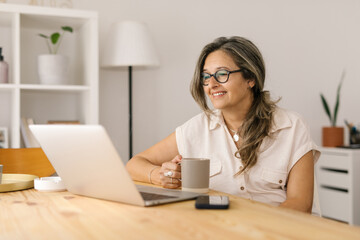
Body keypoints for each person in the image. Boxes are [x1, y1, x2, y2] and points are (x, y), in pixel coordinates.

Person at [126, 36, 320, 213]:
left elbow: (300, 204)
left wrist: (256, 230)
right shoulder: (196, 129)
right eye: (206, 77)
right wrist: (160, 175)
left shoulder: (291, 127)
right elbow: (133, 165)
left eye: (221, 74)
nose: (211, 84)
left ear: (250, 78)